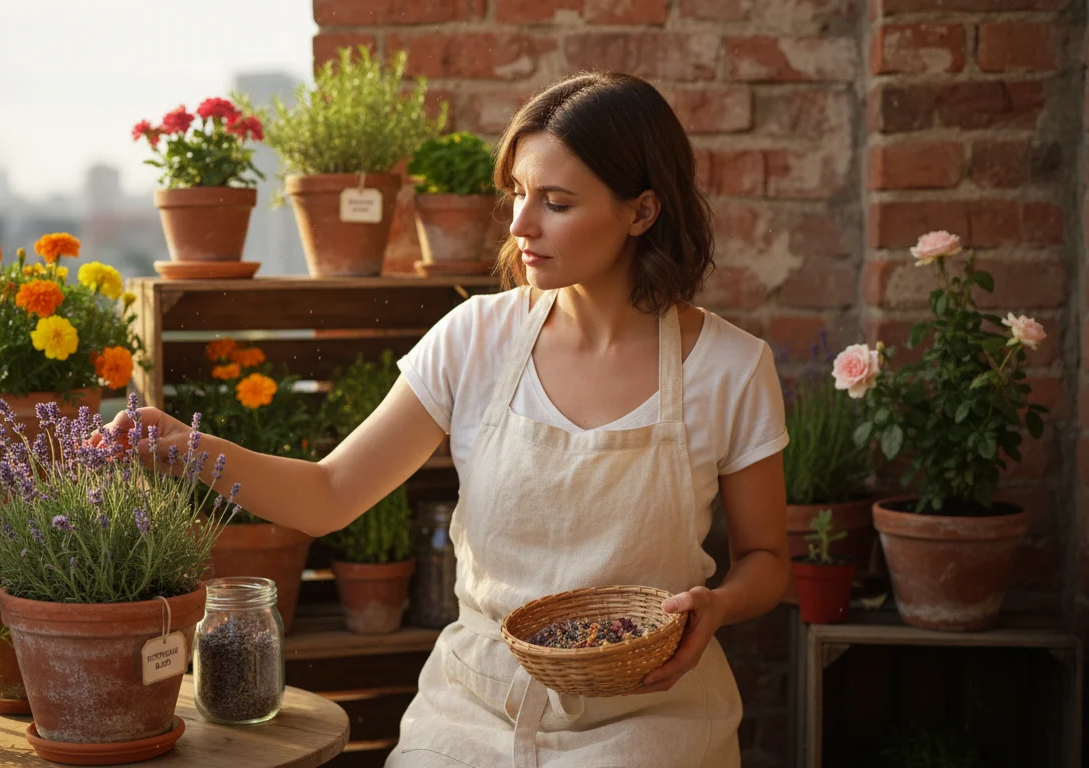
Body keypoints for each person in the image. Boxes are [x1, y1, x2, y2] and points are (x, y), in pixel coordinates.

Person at [100, 71, 789, 767]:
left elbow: (766, 560)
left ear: (641, 212)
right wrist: (187, 447)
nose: (520, 224)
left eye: (555, 202)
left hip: (650, 712)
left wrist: (720, 606)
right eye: (517, 193)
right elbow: (330, 495)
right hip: (474, 708)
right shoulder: (474, 339)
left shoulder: (730, 368)